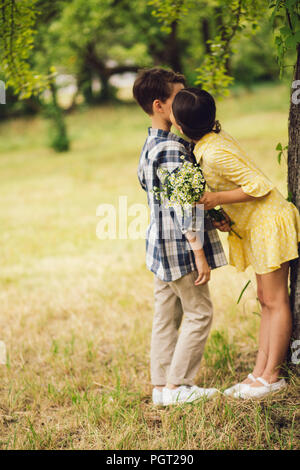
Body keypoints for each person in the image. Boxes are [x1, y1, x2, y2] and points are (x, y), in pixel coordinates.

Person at [171, 87, 300, 399]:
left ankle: (272, 376)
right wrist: (222, 212)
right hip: (256, 225)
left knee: (275, 300)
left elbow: (259, 185)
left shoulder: (214, 151)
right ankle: (258, 372)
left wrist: (216, 198)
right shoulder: (209, 143)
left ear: (180, 125)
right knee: (264, 299)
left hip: (270, 222)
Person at [133, 69, 229, 405]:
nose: (186, 101)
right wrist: (199, 252)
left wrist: (215, 217)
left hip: (159, 248)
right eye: (179, 97)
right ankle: (179, 386)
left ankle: (161, 387)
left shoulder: (151, 145)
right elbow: (183, 204)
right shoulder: (173, 149)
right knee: (199, 312)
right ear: (160, 105)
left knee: (166, 315)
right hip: (180, 248)